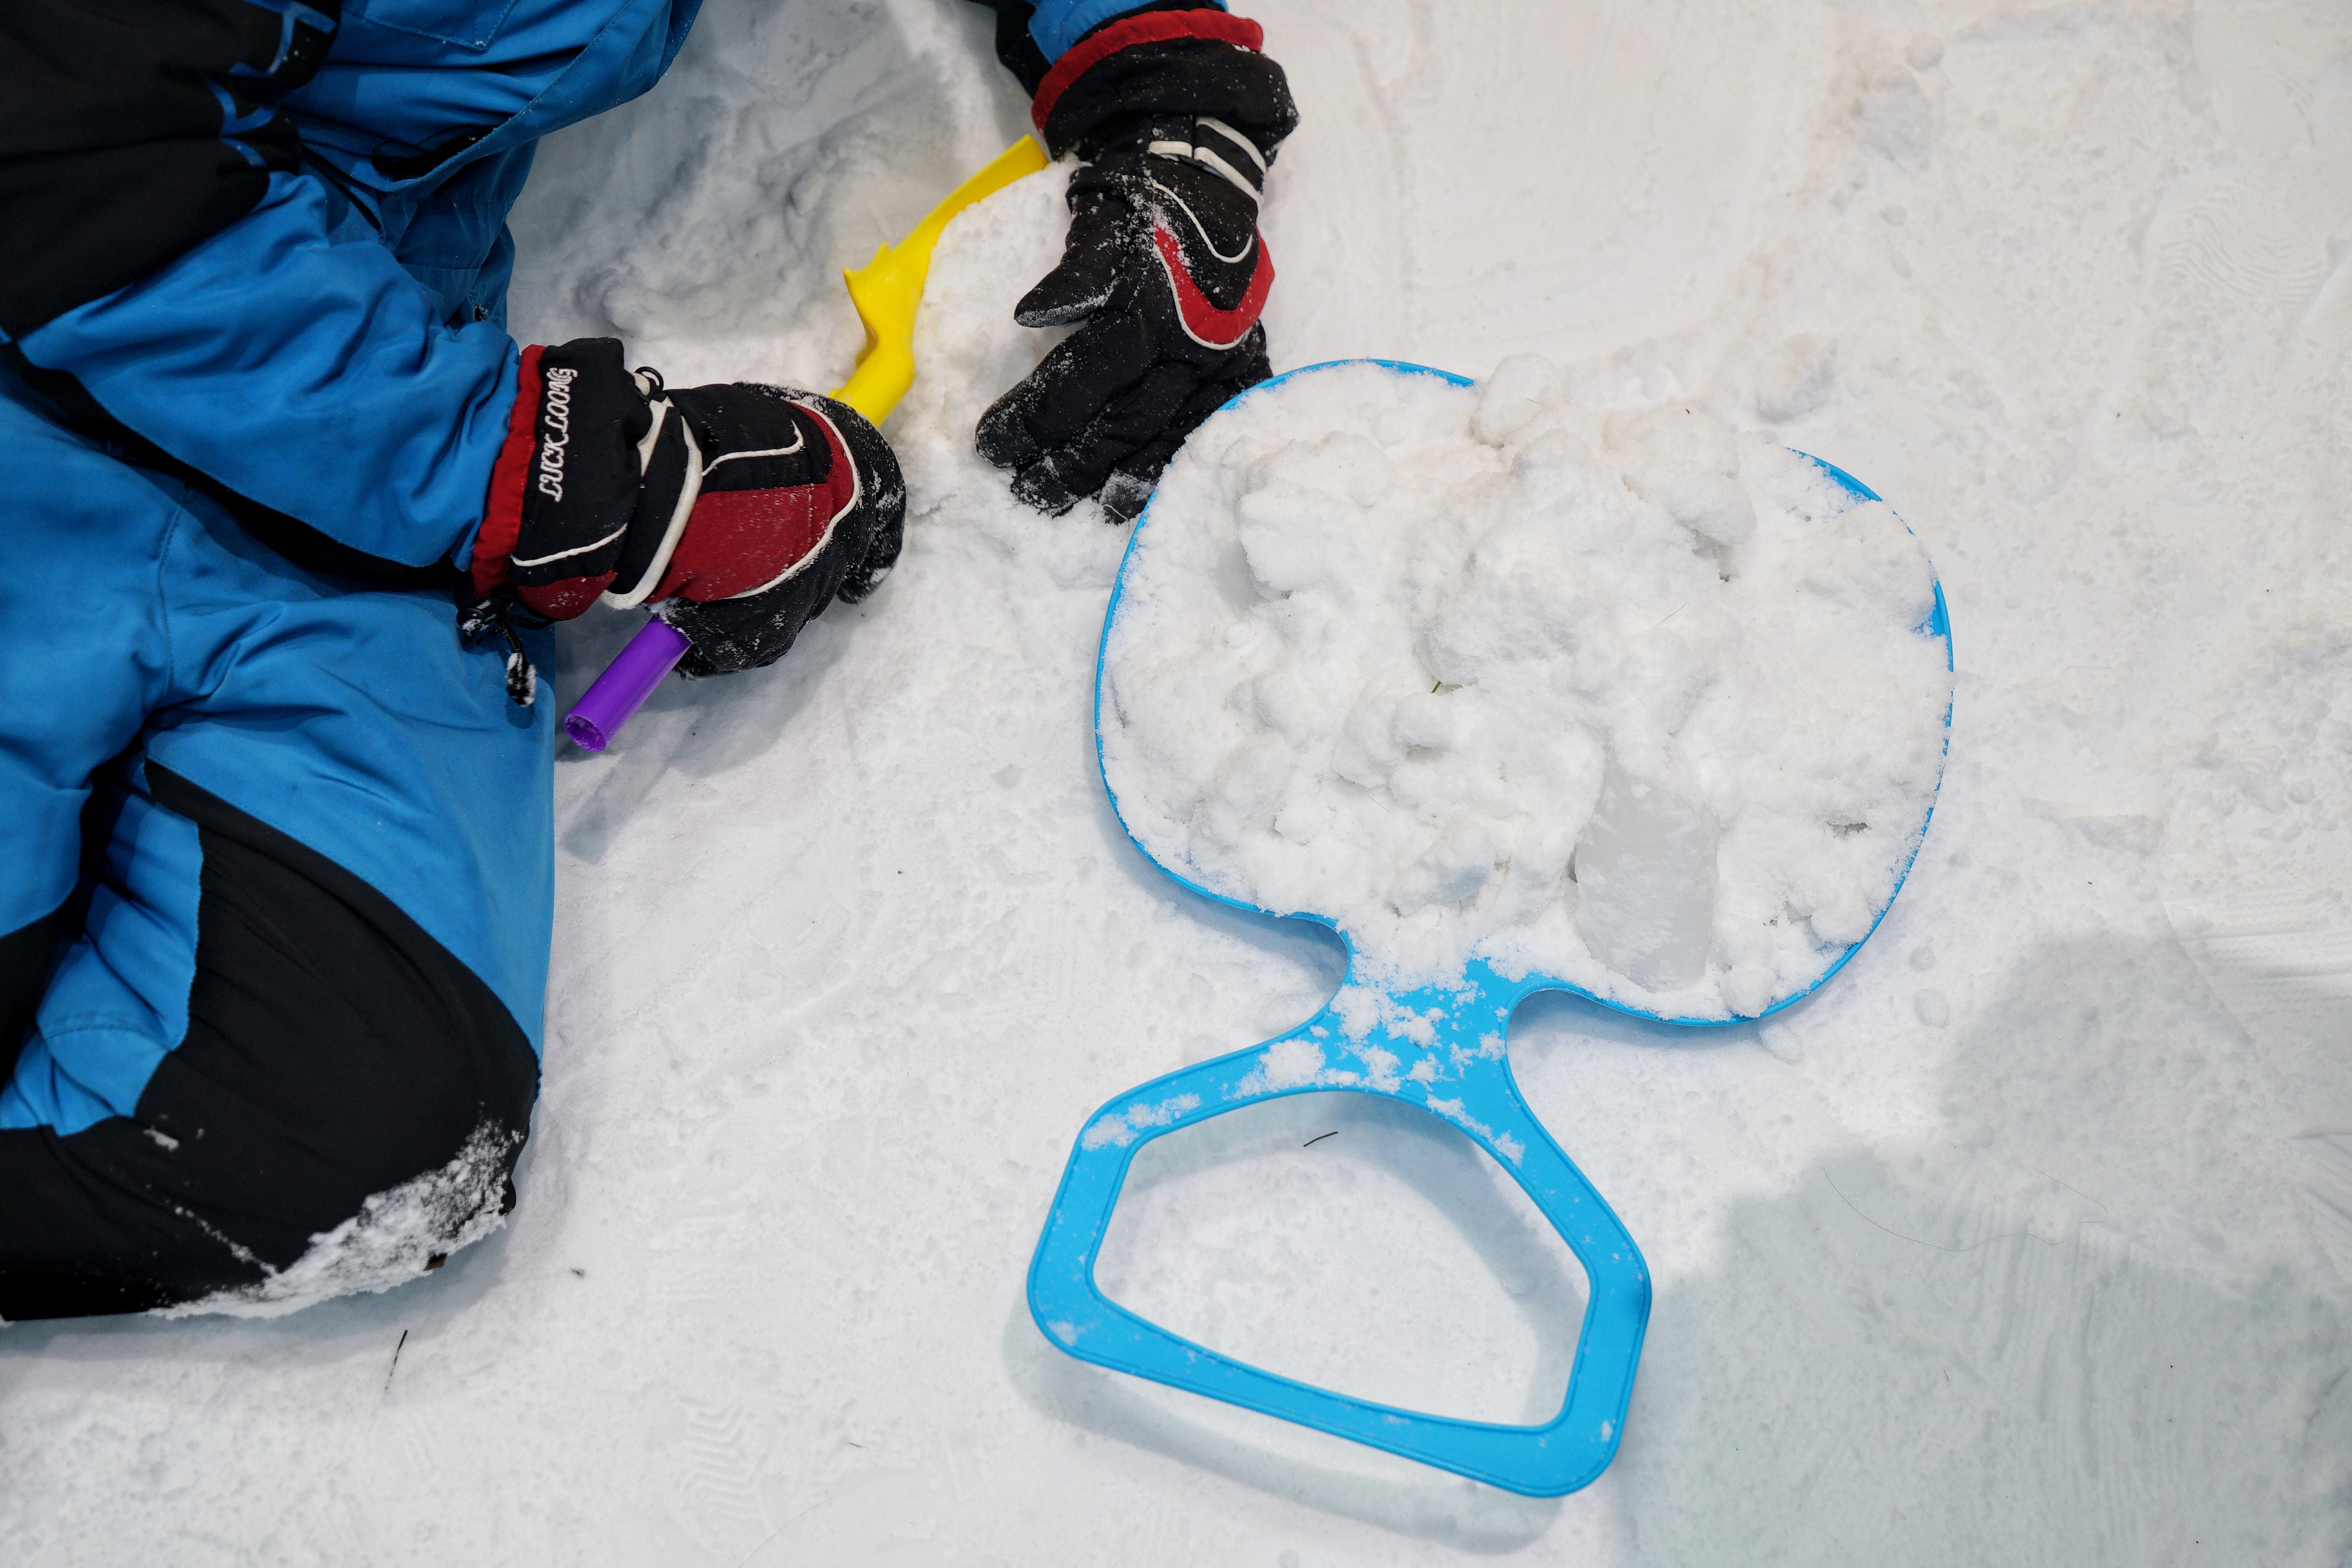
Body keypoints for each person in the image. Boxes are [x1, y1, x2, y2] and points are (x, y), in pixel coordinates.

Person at [0, 0, 1295, 1320]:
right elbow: (60, 133)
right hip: (66, 353)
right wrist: (560, 475)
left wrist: (1169, 89)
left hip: (339, 418)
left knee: (349, 1136)